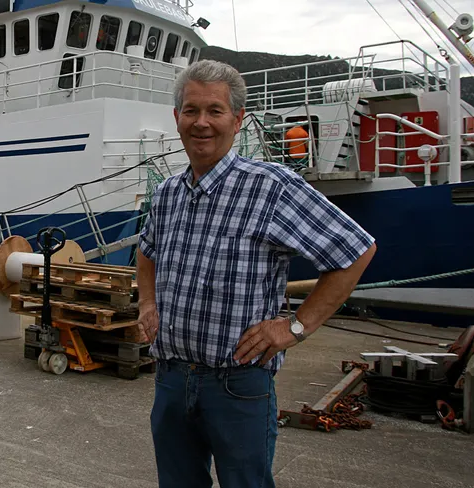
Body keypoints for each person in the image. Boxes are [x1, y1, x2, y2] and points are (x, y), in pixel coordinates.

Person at [136, 60, 377, 488]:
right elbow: (148, 250)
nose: (202, 122)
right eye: (191, 111)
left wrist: (296, 326)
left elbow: (355, 250)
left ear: (237, 119)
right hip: (171, 379)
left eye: (215, 111)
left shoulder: (271, 186)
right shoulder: (168, 192)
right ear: (177, 119)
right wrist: (148, 303)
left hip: (238, 385)